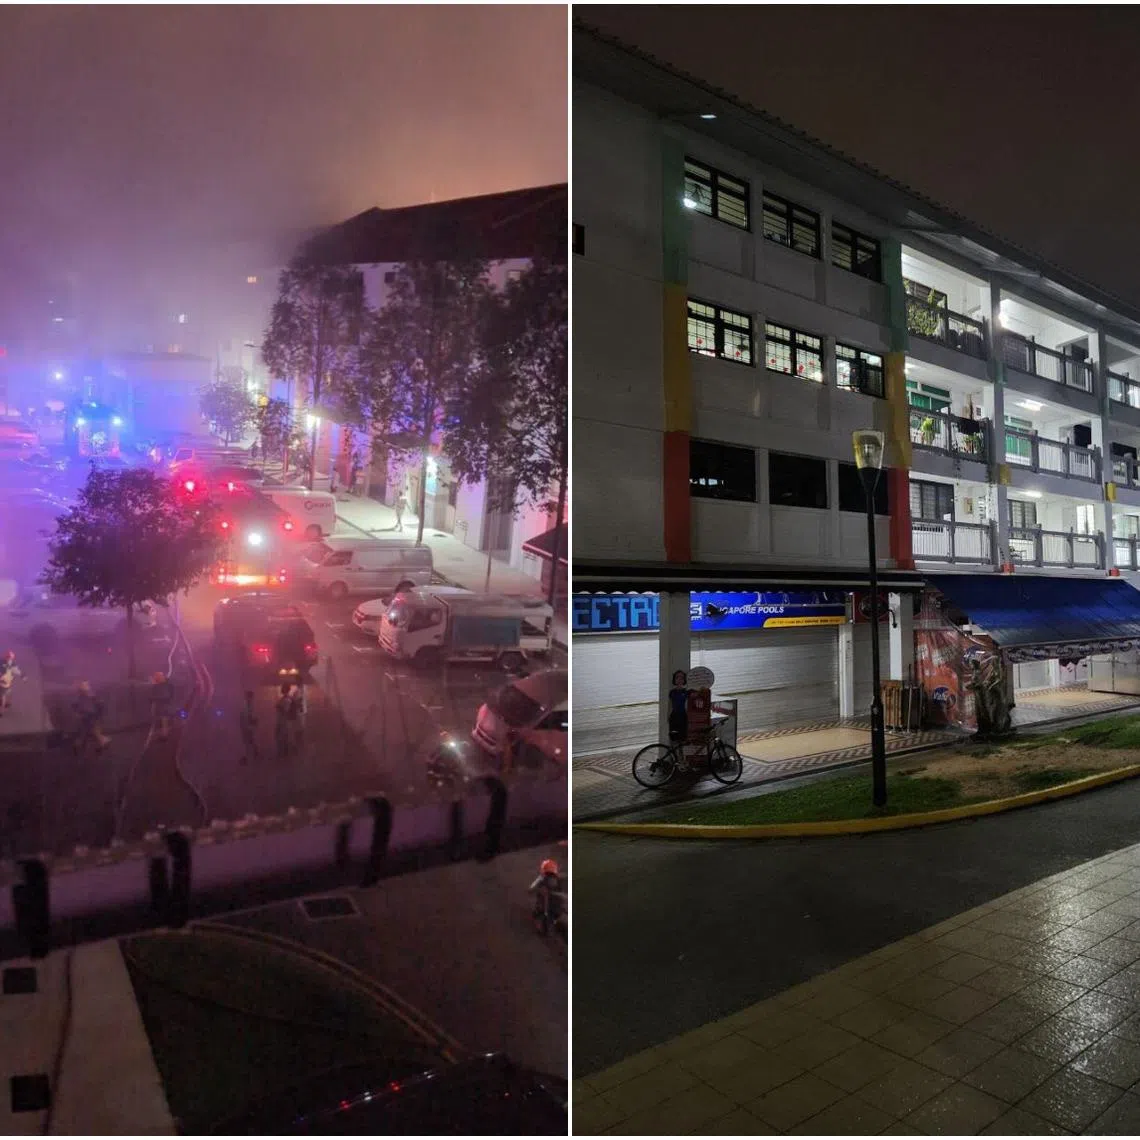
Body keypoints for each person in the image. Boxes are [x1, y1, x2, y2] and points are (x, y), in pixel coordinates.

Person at [73, 680, 109, 753]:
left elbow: (97, 705)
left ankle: (101, 742)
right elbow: (79, 705)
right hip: (89, 716)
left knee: (89, 731)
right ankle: (101, 742)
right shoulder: (84, 696)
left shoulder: (89, 695)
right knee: (89, 731)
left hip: (90, 716)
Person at [529, 858, 564, 927]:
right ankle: (553, 922)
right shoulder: (558, 878)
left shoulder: (542, 877)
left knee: (538, 909)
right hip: (556, 907)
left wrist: (531, 890)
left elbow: (532, 887)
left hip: (546, 904)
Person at [149, 671, 175, 741]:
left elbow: (166, 695)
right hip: (161, 706)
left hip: (163, 707)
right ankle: (163, 734)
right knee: (162, 721)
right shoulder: (161, 685)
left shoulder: (163, 685)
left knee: (163, 720)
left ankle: (164, 735)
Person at [667, 669, 689, 743]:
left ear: (684, 680)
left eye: (681, 678)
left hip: (683, 717)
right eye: (677, 677)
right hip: (674, 717)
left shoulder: (686, 692)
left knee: (683, 739)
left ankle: (681, 754)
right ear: (674, 679)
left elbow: (687, 705)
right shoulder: (672, 692)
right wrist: (668, 716)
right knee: (674, 739)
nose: (679, 679)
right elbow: (670, 704)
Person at [0, 650, 23, 716]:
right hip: (8, 682)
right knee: (8, 691)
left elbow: (2, 675)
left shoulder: (3, 663)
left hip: (3, 683)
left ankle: (1, 712)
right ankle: (8, 703)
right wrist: (23, 676)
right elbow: (18, 672)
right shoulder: (13, 665)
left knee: (2, 696)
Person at [238, 690, 259, 763]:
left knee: (249, 741)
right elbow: (245, 716)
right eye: (251, 697)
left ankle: (251, 755)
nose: (252, 699)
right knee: (248, 741)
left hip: (247, 727)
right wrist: (253, 721)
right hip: (246, 726)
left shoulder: (248, 704)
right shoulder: (245, 705)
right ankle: (251, 755)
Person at [274, 682, 293, 759]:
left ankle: (284, 755)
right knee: (281, 737)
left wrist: (278, 707)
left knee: (282, 738)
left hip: (283, 722)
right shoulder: (284, 699)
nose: (281, 689)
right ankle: (284, 754)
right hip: (281, 721)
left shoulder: (287, 699)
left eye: (283, 688)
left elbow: (285, 711)